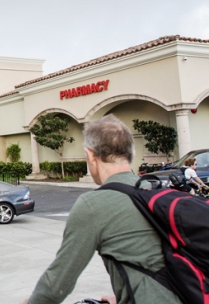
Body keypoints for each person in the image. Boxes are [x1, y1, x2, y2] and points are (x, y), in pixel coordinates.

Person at [21, 115, 182, 304]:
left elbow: (56, 285)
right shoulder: (154, 192)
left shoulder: (93, 205)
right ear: (132, 154)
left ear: (90, 155)